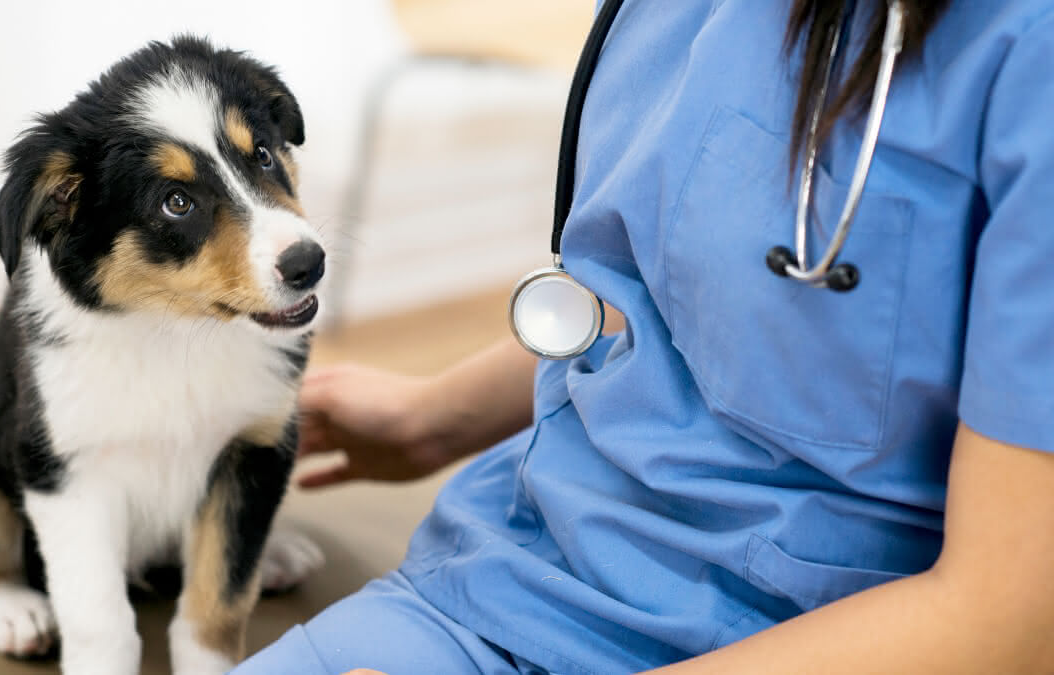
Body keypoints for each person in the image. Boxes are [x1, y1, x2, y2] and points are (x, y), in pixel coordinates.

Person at [236, 0, 1054, 672]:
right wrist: (435, 416)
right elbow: (668, 290)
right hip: (509, 585)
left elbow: (1006, 620)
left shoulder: (1025, 51)